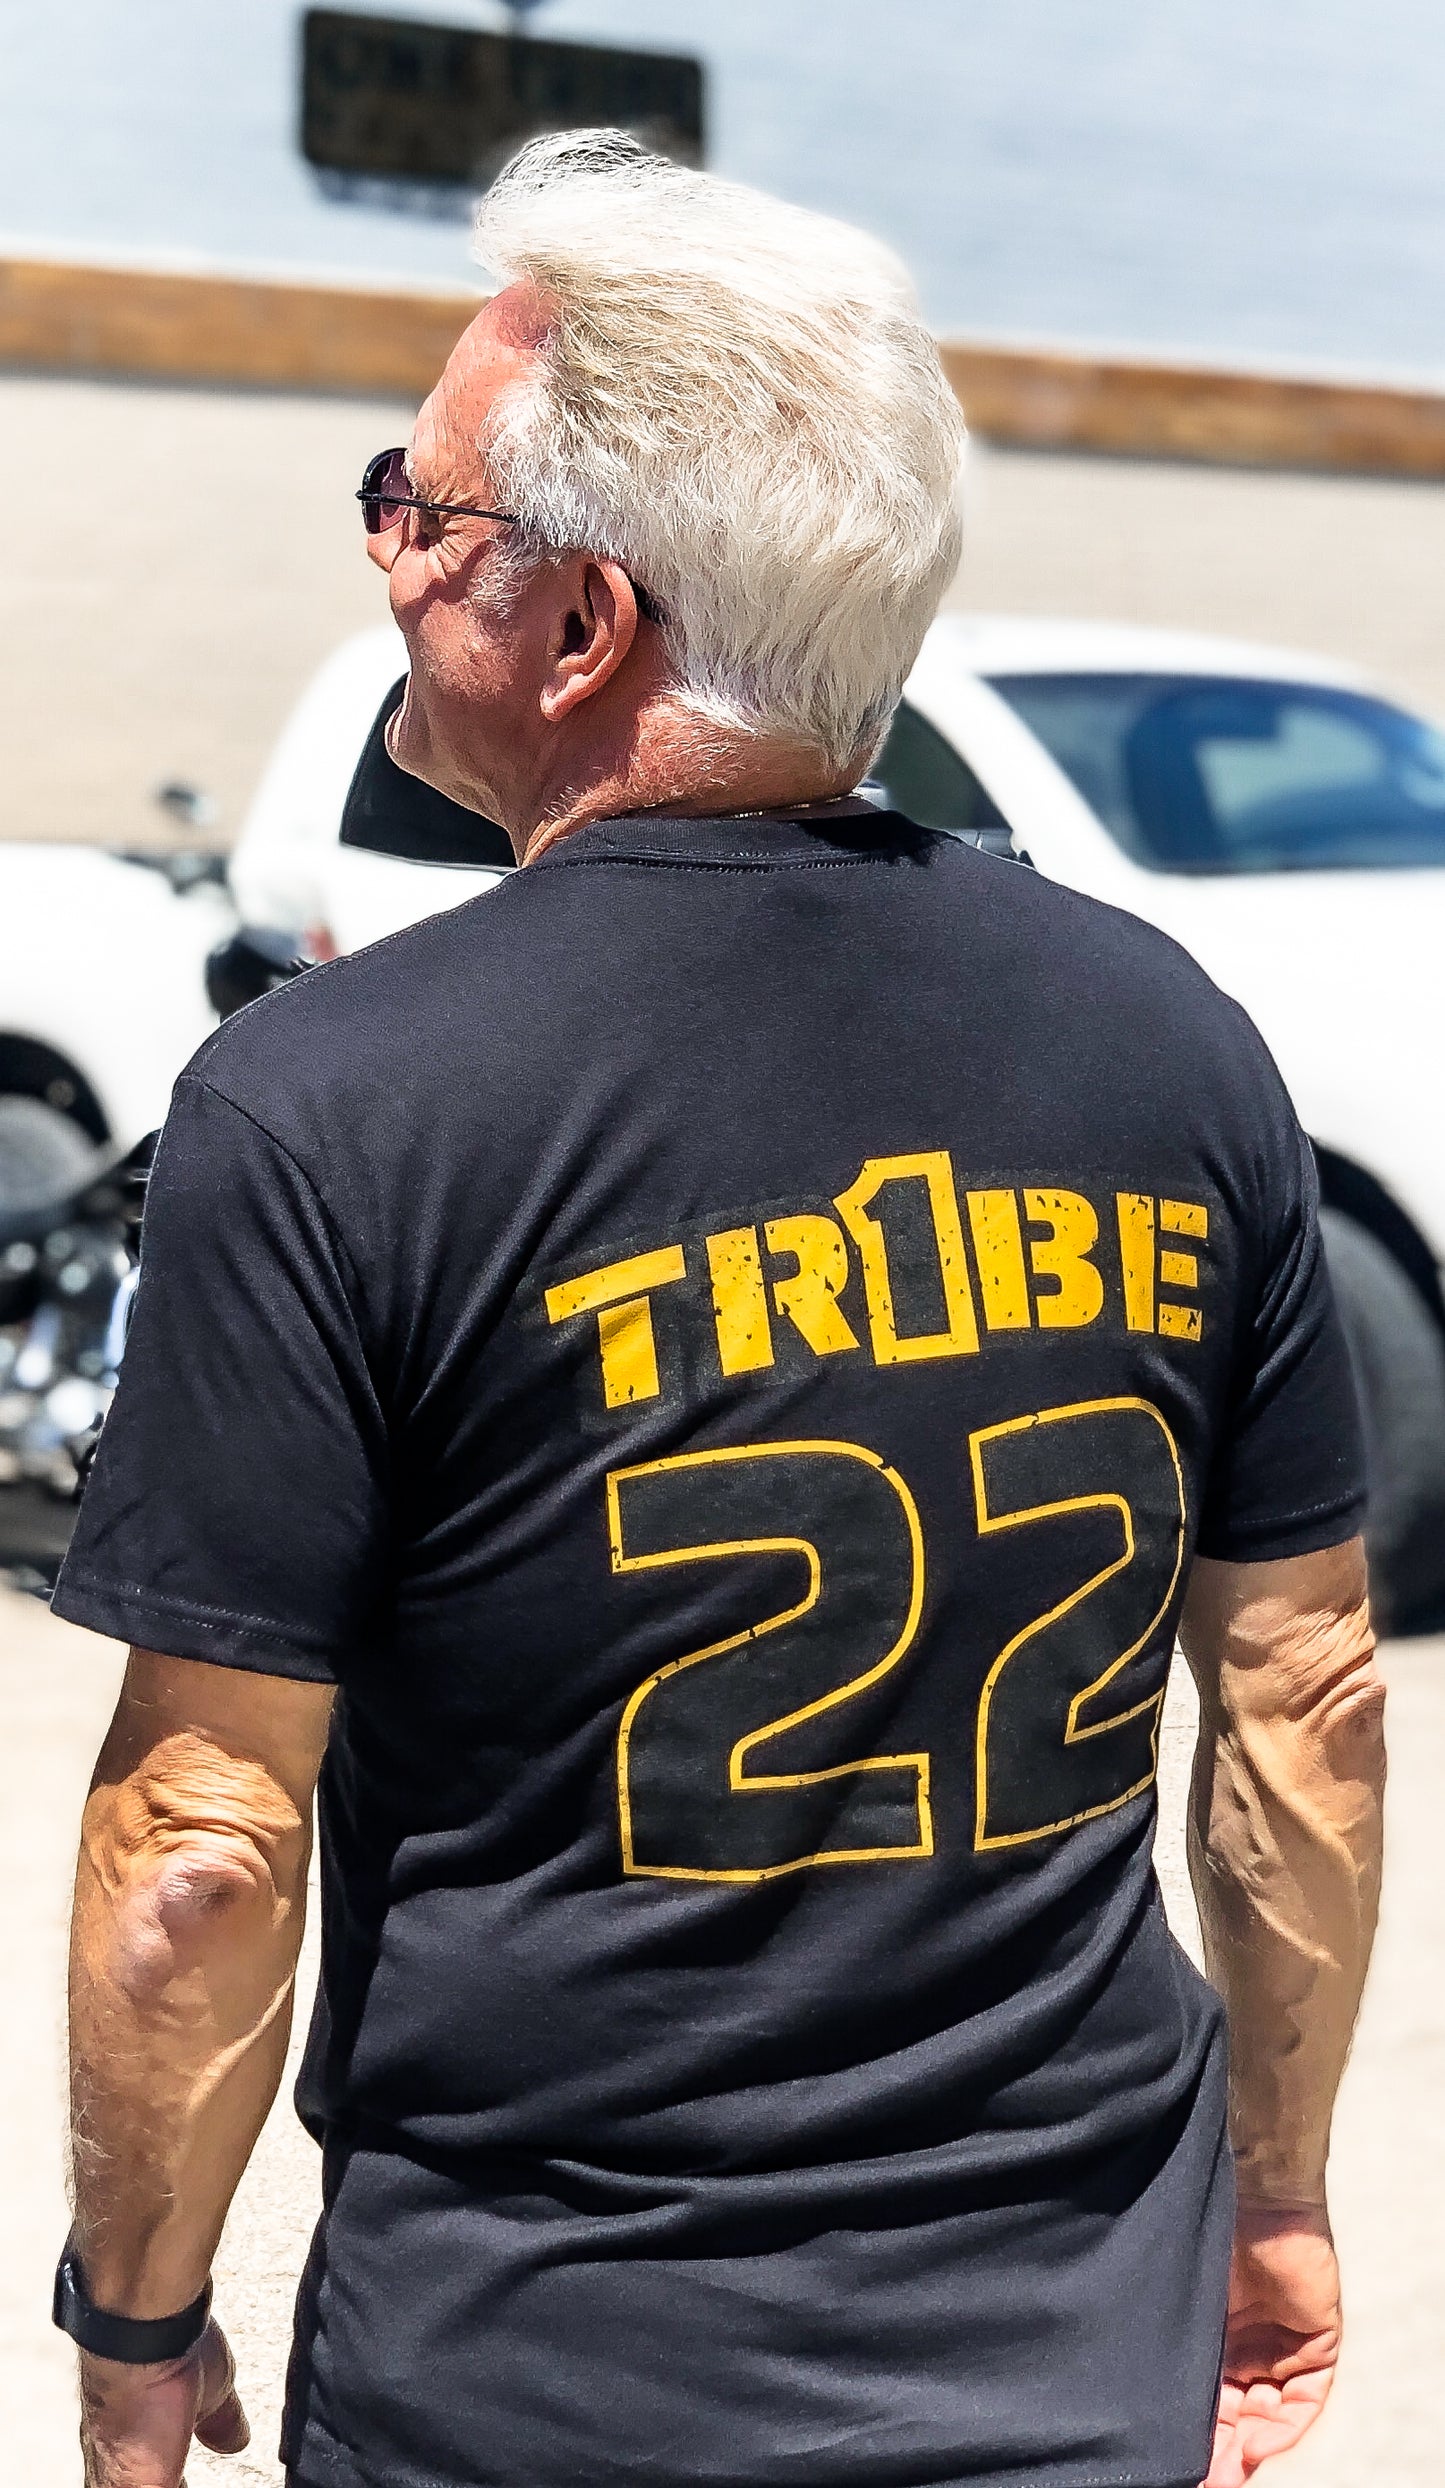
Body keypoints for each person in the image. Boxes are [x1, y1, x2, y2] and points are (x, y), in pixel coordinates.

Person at [53, 132, 1384, 2488]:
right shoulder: (1170, 1045)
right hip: (1081, 2356)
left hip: (533, 2387)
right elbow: (1303, 1698)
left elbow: (200, 1839)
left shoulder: (330, 1107)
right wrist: (1276, 2190)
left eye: (418, 503)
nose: (383, 549)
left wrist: (133, 2325)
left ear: (583, 625)